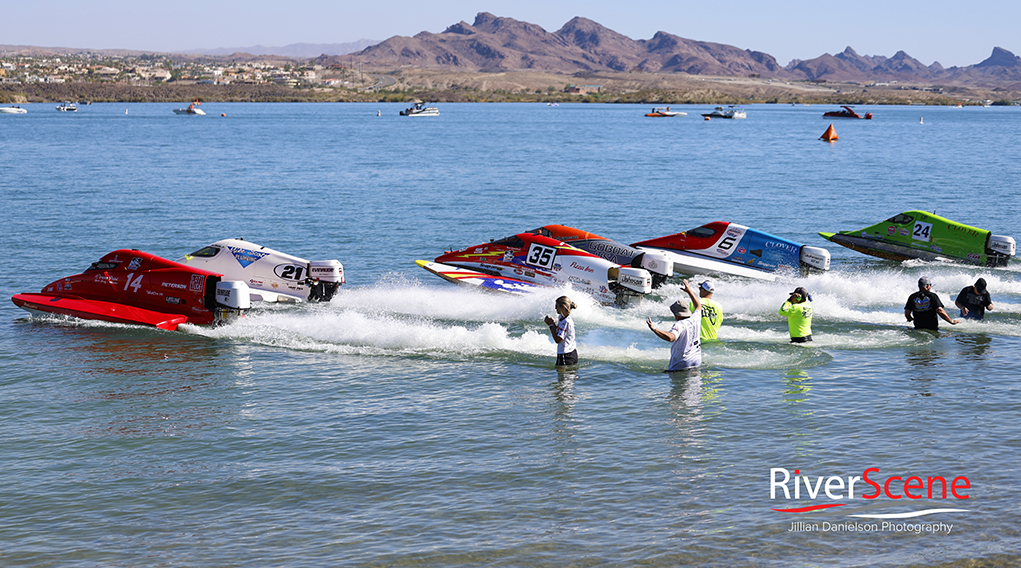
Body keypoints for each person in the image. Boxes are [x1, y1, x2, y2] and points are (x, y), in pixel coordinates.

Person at [647, 280, 702, 371]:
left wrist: (654, 329)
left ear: (677, 314)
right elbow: (698, 306)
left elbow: (671, 337)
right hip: (696, 360)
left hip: (682, 363)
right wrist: (689, 291)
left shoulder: (679, 324)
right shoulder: (695, 318)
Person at [544, 296, 577, 367]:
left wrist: (551, 325)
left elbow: (558, 339)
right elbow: (560, 332)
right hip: (570, 352)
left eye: (556, 306)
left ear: (562, 307)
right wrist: (553, 324)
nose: (555, 308)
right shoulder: (561, 318)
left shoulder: (566, 322)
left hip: (565, 354)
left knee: (563, 377)